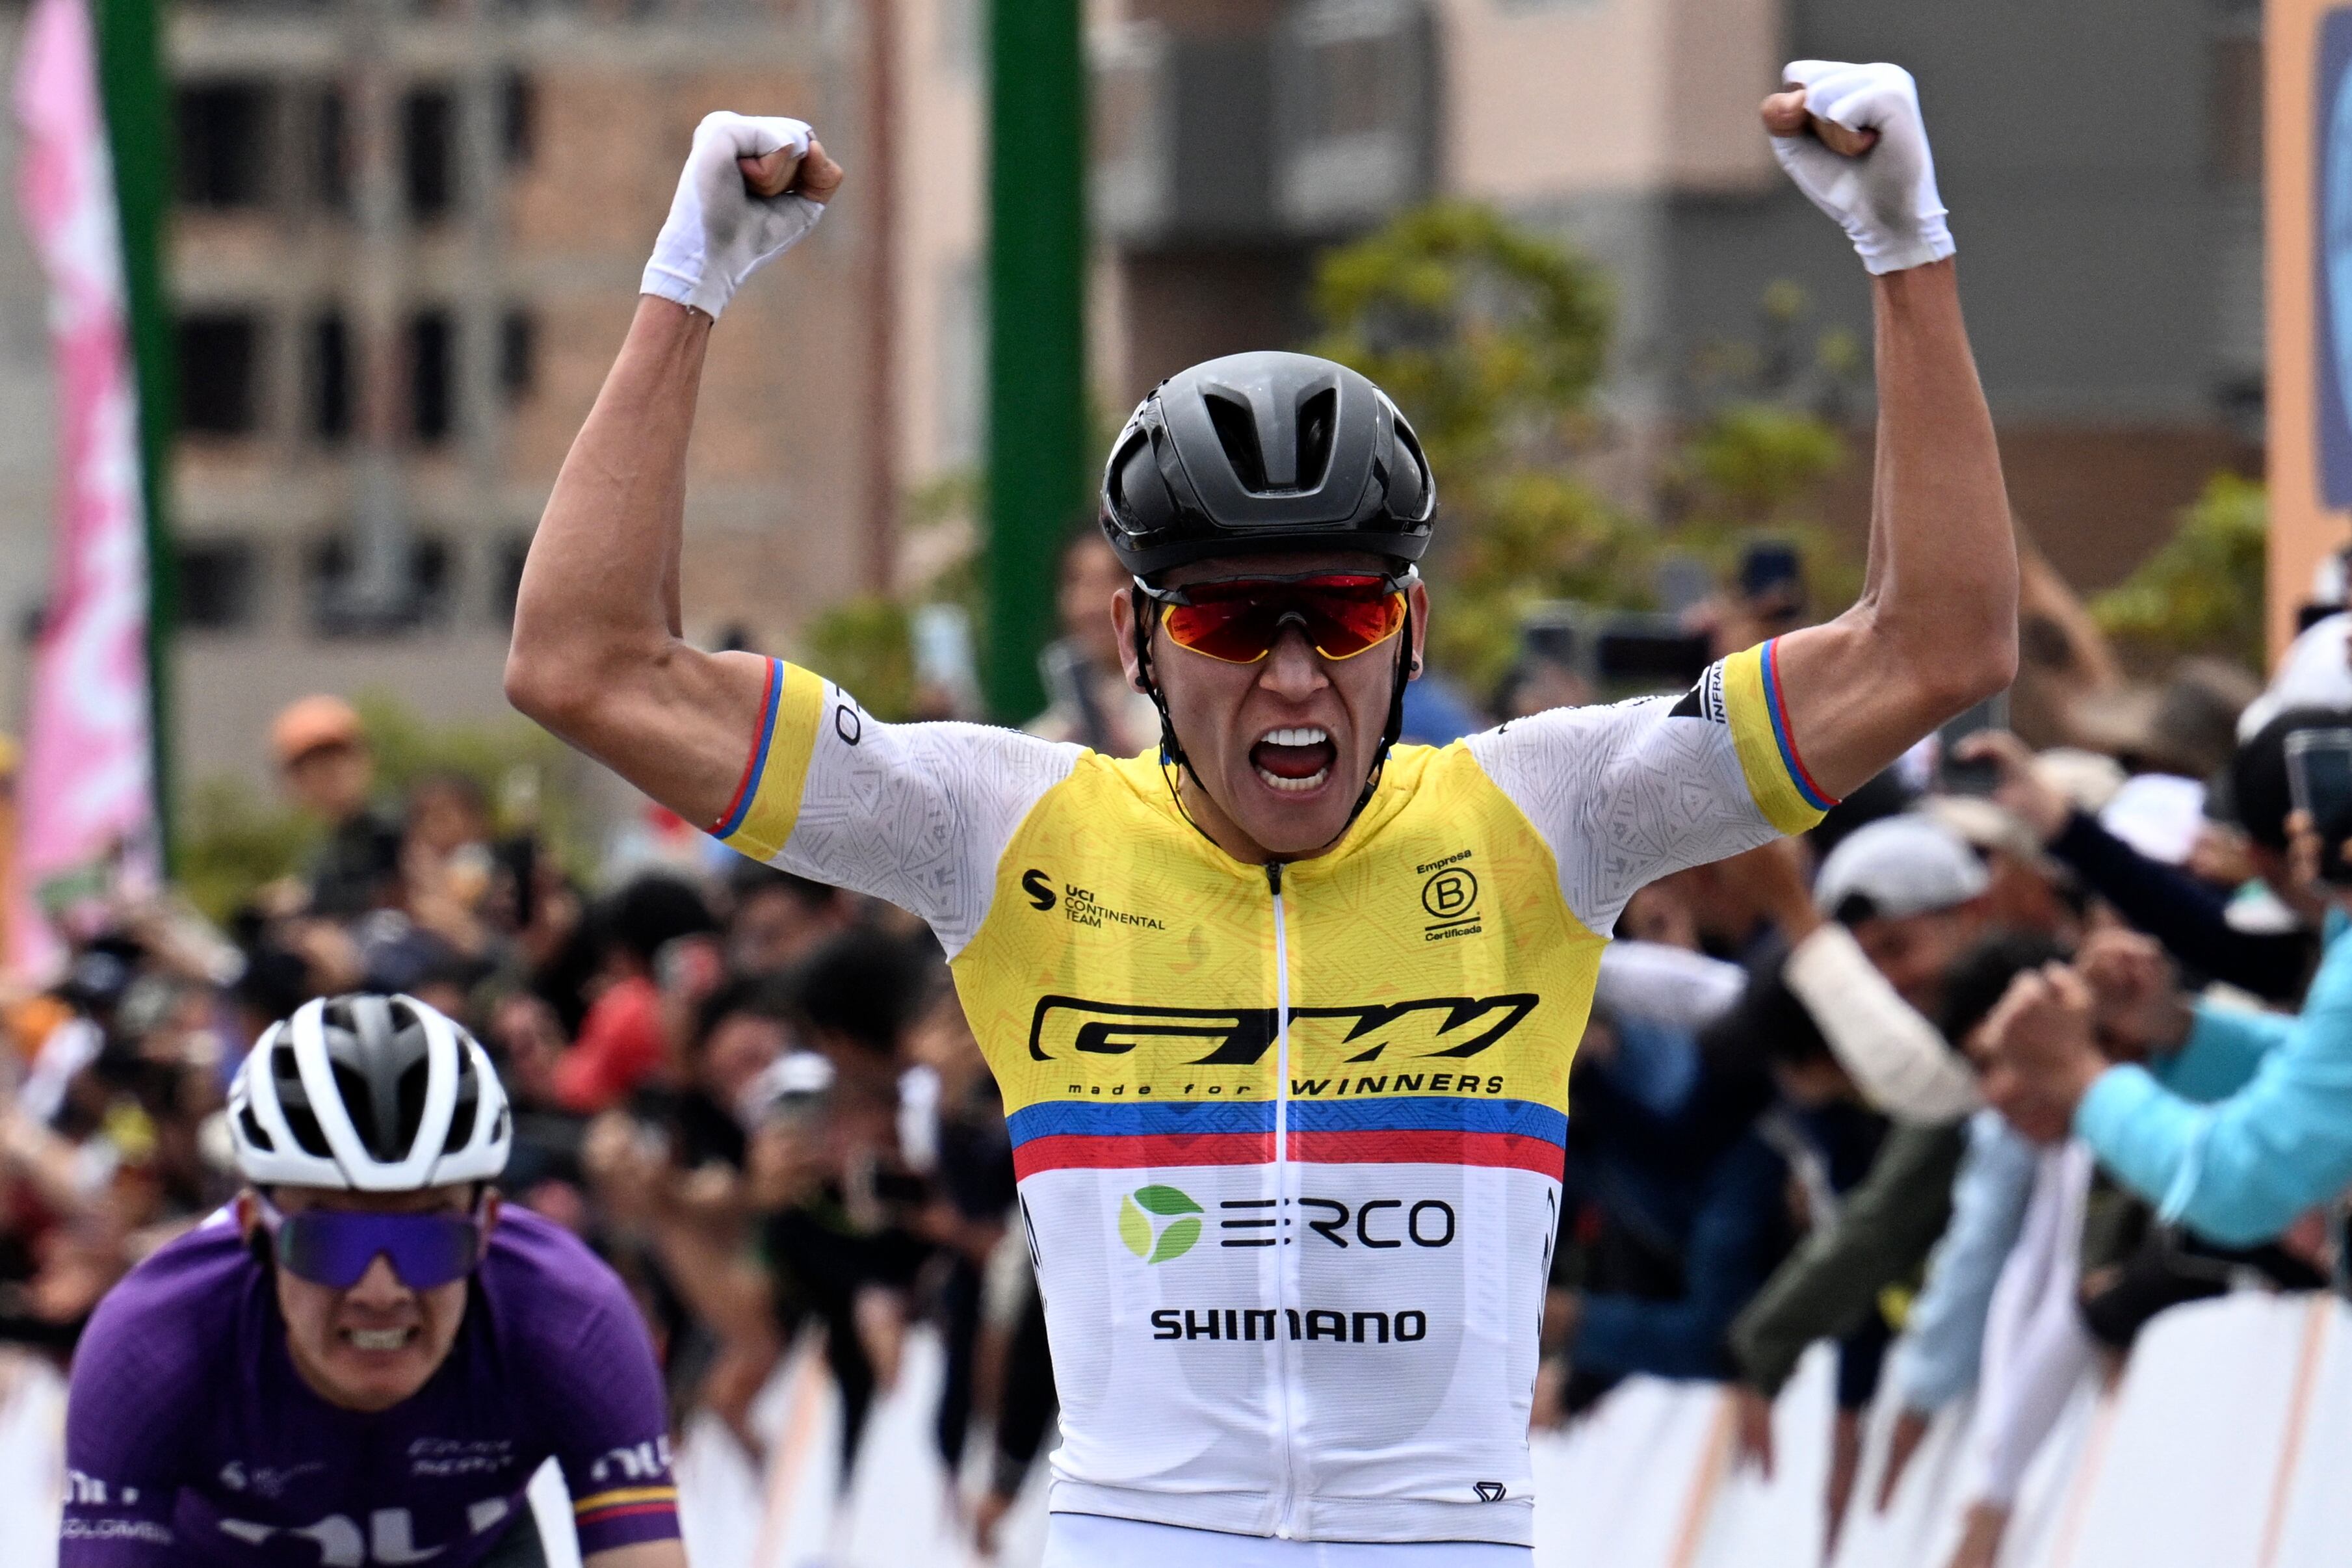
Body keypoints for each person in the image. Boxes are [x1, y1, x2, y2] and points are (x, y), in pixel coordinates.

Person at [505, 60, 2017, 1563]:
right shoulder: (996, 825)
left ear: (1411, 629)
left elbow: (1931, 646)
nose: (1292, 679)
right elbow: (584, 666)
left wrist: (1905, 251)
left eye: (1342, 618)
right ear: (1133, 644)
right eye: (1231, 627)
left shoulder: (1548, 814)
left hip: (1439, 1532)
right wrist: (686, 276)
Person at [57, 993, 685, 1567]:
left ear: (488, 1227)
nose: (381, 1292)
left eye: (429, 1241)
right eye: (330, 1242)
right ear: (254, 1230)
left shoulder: (571, 1315)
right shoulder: (150, 1342)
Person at [271, 696, 403, 919]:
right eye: (316, 766)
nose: (333, 773)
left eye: (340, 759)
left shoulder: (399, 829)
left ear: (365, 761)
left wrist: (310, 899)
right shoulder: (322, 852)